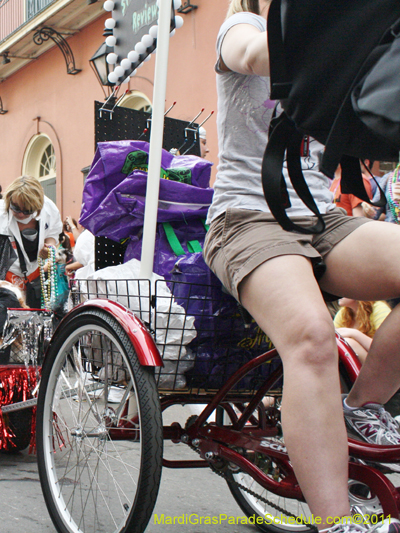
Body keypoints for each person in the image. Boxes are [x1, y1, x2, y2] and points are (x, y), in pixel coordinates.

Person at [203, 2, 400, 531]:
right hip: (245, 219)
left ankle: (360, 408)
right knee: (312, 337)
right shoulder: (239, 27)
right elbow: (252, 53)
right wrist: (340, 29)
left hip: (319, 218)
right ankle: (337, 523)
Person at [0, 175, 61, 308]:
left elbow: (53, 234)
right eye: (15, 208)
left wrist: (49, 248)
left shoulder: (49, 209)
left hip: (35, 278)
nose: (21, 214)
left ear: (38, 206)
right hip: (6, 279)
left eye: (27, 210)